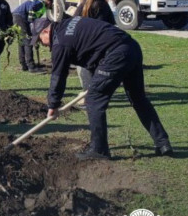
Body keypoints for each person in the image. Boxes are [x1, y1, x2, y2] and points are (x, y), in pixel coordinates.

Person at [33, 10, 173, 160]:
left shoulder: (60, 43)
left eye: (40, 40)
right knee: (138, 98)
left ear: (46, 31)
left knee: (94, 100)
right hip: (131, 47)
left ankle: (99, 150)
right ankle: (162, 143)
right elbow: (94, 48)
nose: (42, 45)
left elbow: (58, 76)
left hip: (115, 54)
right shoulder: (69, 24)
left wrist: (53, 105)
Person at [74, 0, 116, 92]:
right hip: (102, 43)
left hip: (86, 43)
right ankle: (95, 92)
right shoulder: (103, 4)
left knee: (85, 67)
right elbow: (111, 23)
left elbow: (75, 21)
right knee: (98, 68)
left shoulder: (84, 4)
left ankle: (89, 93)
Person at [11, 0, 44, 72]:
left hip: (17, 17)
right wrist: (30, 19)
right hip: (20, 18)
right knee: (28, 41)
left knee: (21, 42)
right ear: (49, 2)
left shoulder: (38, 1)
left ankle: (24, 65)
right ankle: (31, 66)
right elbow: (32, 7)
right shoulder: (41, 3)